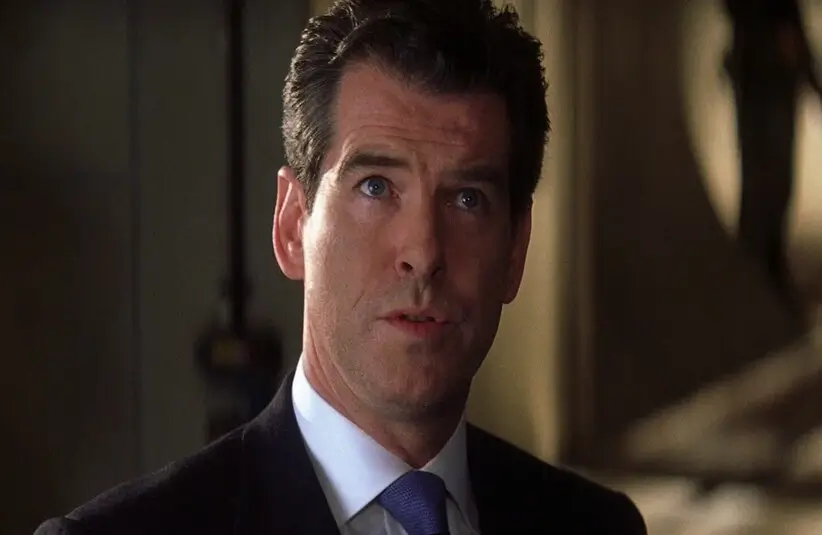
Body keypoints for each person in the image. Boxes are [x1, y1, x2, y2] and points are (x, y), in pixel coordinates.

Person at [35, 1, 646, 533]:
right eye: (376, 187)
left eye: (467, 199)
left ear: (516, 250)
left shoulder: (596, 526)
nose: (424, 253)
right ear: (292, 225)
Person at [723, 0, 822, 317]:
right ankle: (757, 276)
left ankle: (761, 272)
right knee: (765, 180)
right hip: (762, 73)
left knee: (771, 181)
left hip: (766, 71)